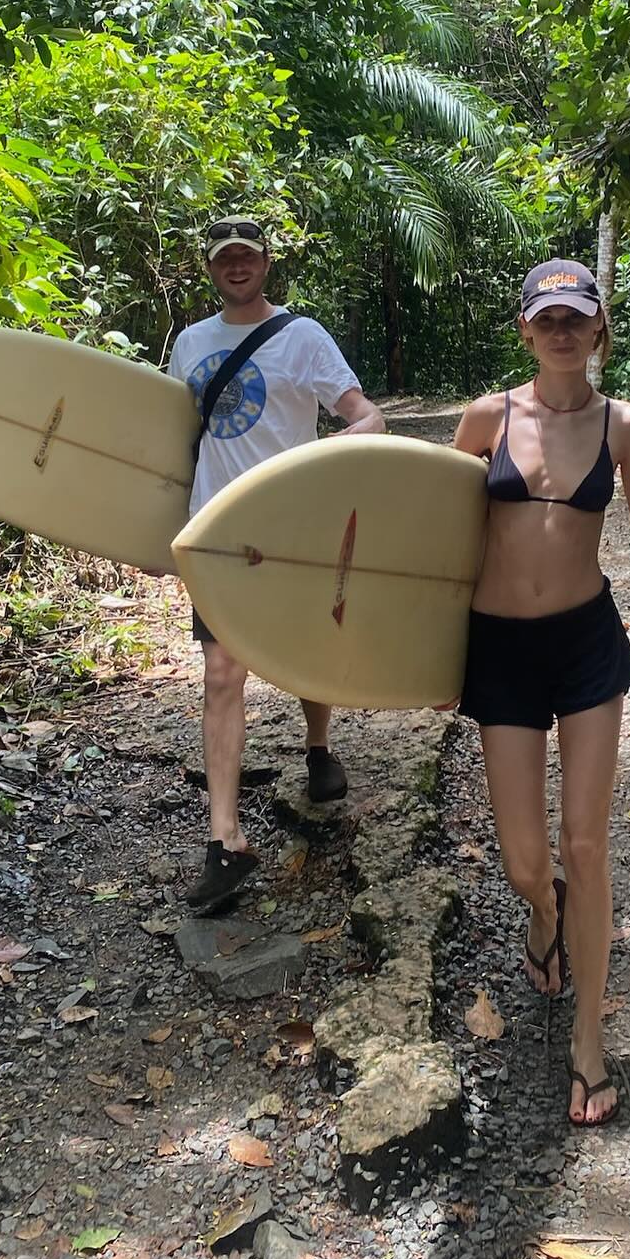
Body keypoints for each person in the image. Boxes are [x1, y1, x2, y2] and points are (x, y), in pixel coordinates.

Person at [451, 259, 630, 1127]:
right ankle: (543, 910)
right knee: (528, 862)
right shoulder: (486, 418)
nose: (562, 332)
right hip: (501, 649)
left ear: (599, 330)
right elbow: (435, 539)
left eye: (576, 318)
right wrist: (422, 656)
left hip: (587, 642)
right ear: (526, 330)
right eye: (546, 319)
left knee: (585, 843)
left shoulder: (625, 425)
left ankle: (588, 1045)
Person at [166, 215, 385, 912]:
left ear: (266, 263)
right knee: (221, 673)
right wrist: (158, 535)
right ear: (210, 268)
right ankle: (225, 840)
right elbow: (171, 444)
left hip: (290, 529)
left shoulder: (302, 336)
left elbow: (366, 416)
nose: (237, 267)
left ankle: (318, 747)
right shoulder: (189, 344)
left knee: (305, 649)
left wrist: (328, 461)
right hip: (216, 534)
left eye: (247, 257)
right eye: (224, 258)